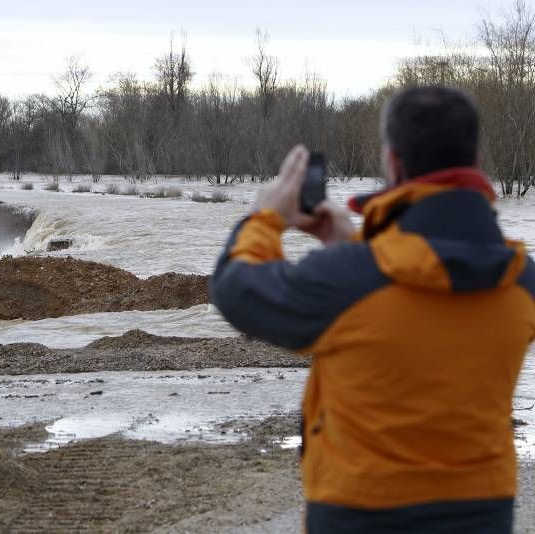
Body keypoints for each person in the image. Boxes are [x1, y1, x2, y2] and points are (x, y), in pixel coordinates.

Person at [210, 86, 535, 533]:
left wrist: (264, 219)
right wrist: (354, 246)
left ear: (393, 162)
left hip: (361, 512)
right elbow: (420, 275)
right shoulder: (521, 280)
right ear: (474, 162)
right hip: (483, 510)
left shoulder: (349, 280)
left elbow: (239, 291)